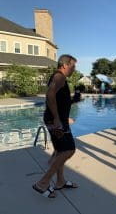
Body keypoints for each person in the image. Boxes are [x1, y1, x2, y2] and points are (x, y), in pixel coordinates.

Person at [32, 54, 78, 198]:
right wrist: (57, 118)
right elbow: (50, 95)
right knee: (69, 150)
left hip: (57, 120)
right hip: (55, 122)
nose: (74, 69)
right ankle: (43, 183)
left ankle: (60, 182)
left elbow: (58, 99)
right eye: (73, 66)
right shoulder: (59, 76)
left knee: (61, 150)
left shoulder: (60, 78)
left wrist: (73, 101)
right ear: (65, 65)